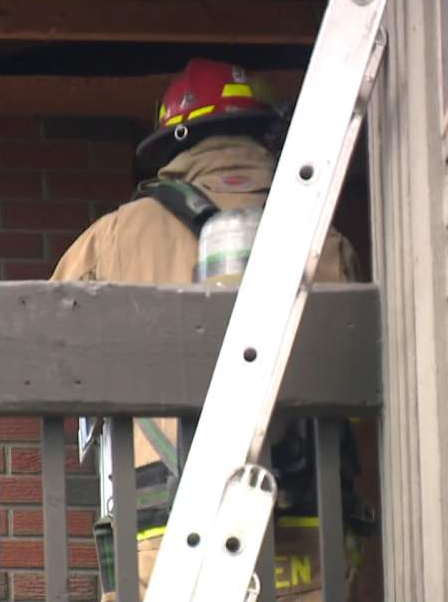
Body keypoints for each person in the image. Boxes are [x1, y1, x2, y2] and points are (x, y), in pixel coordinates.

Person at [51, 58, 374, 600]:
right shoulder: (325, 238)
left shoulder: (113, 240)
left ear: (173, 143)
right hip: (309, 523)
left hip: (163, 526)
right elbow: (358, 392)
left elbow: (47, 354)